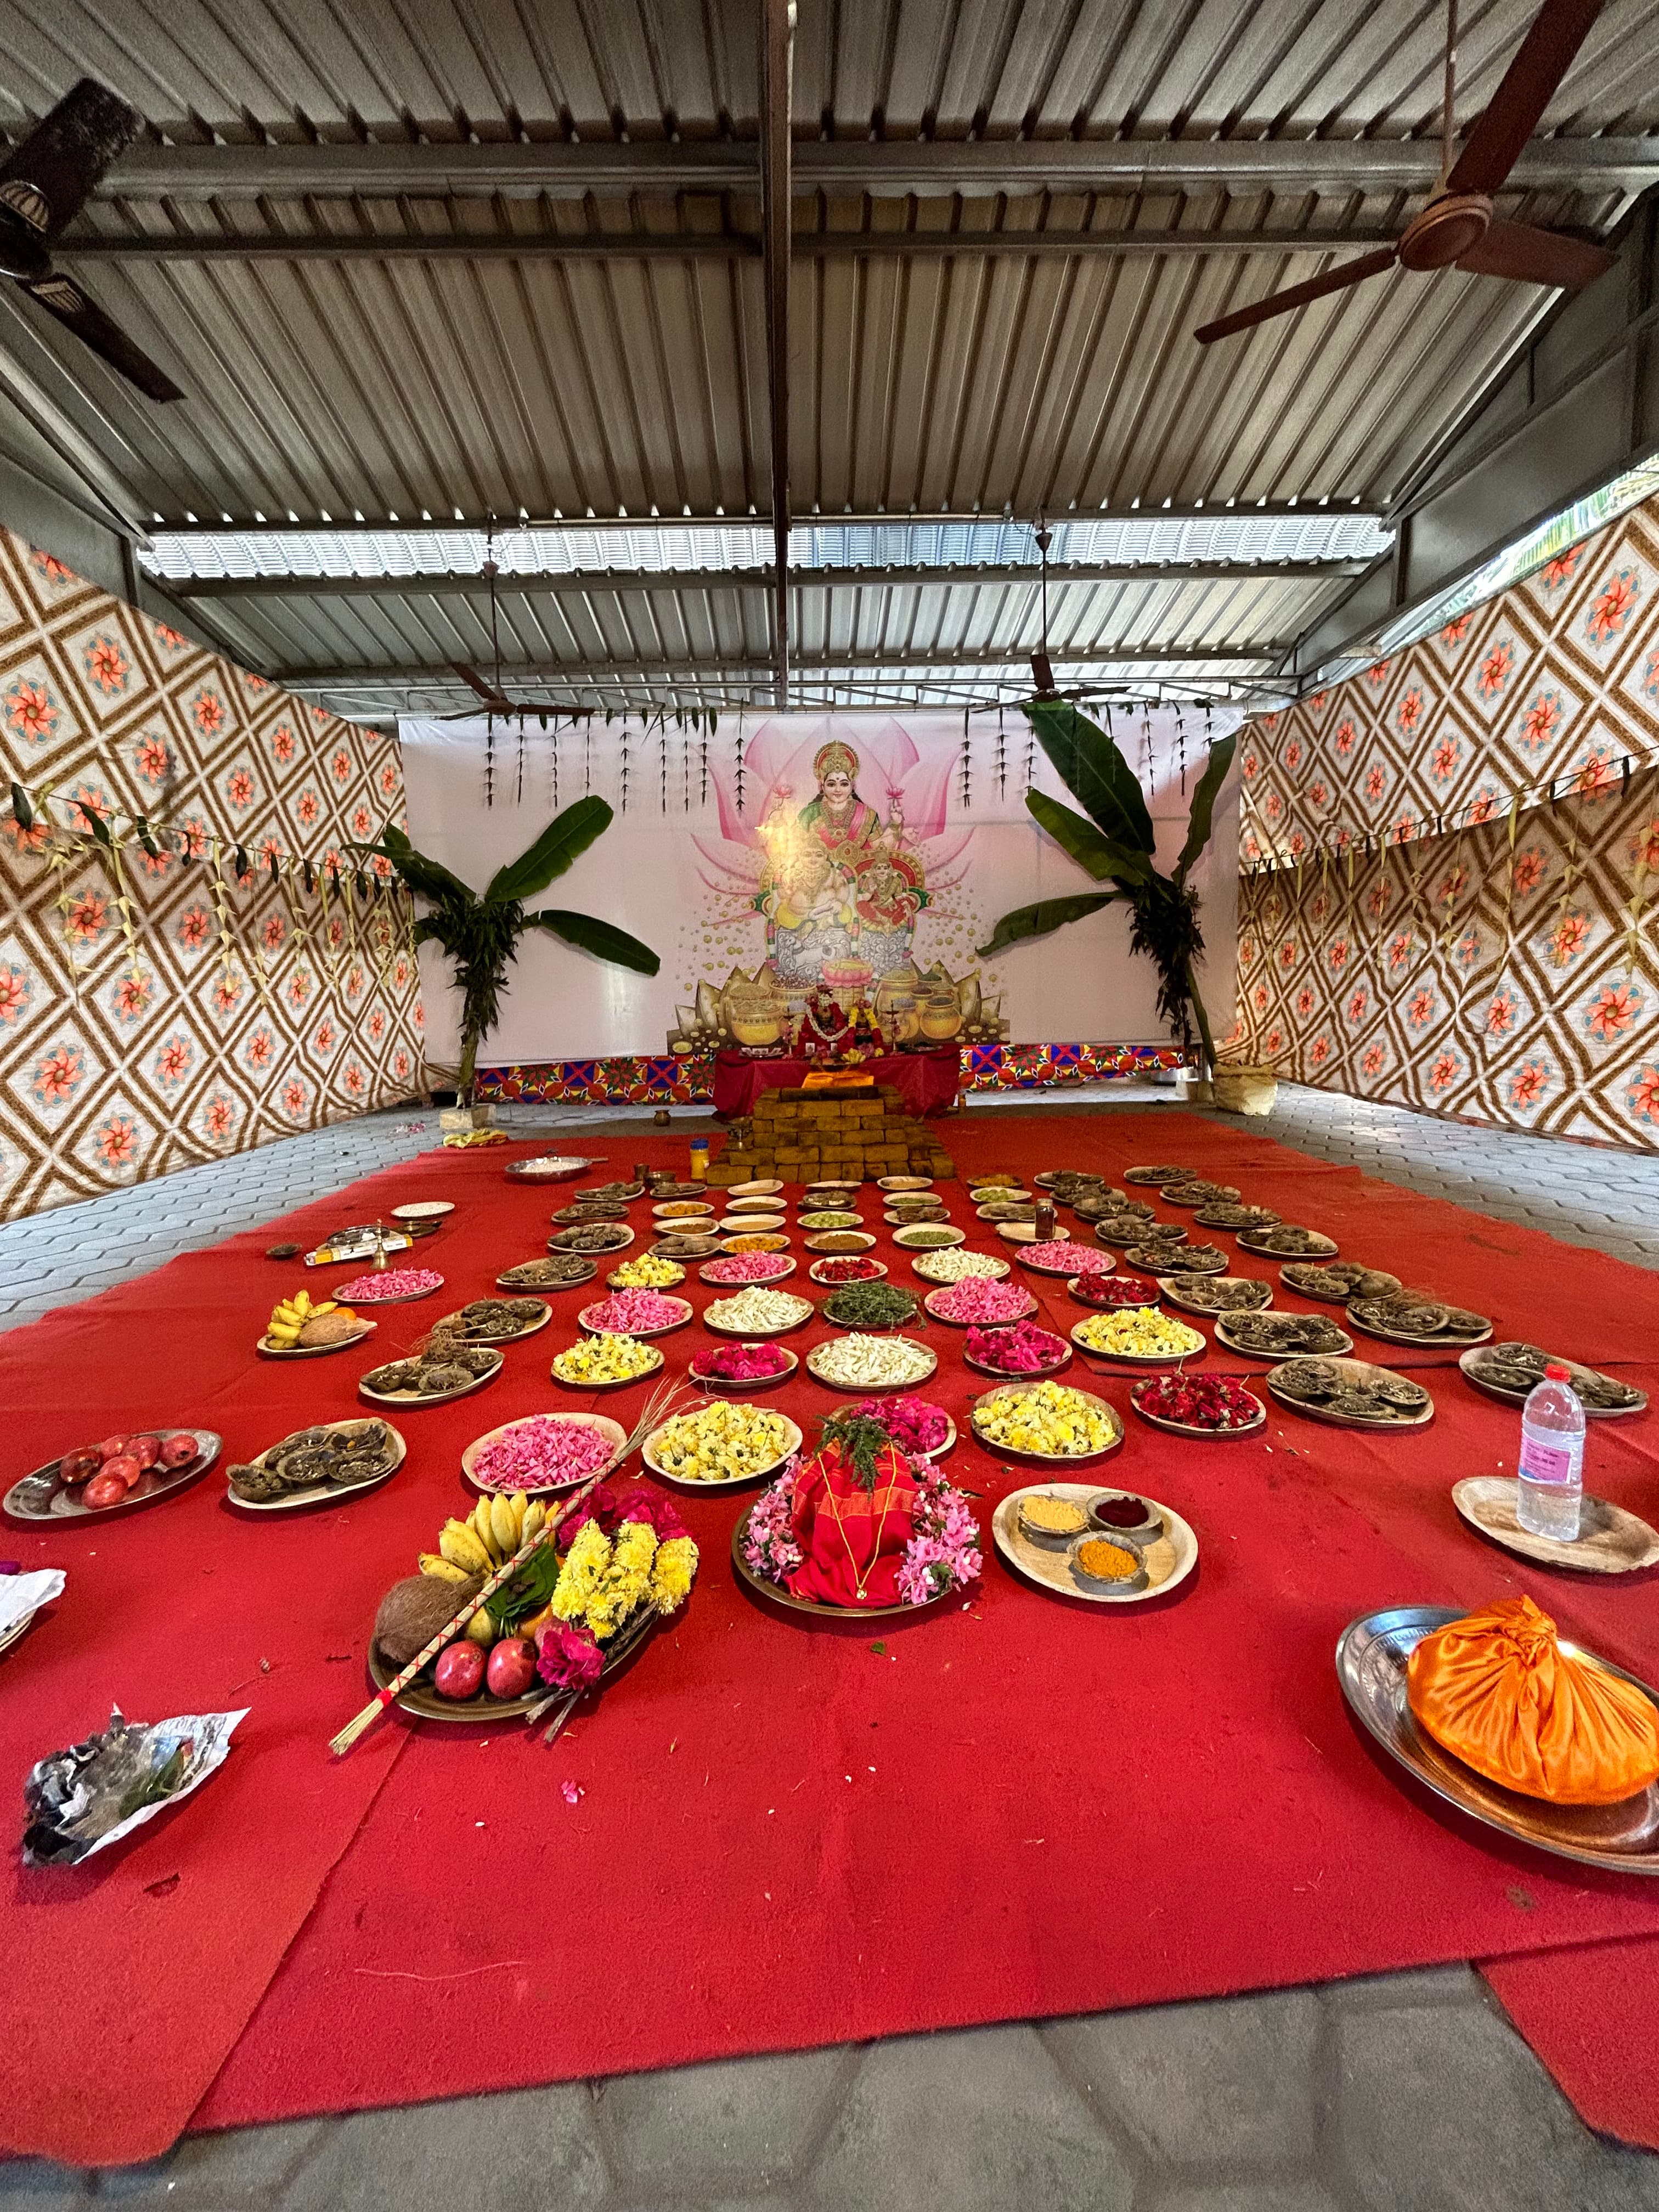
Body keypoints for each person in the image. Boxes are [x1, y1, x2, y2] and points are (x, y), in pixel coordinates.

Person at [755, 740, 925, 986]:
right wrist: (777, 825)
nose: (838, 789)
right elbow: (796, 851)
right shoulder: (809, 814)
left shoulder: (867, 815)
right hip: (817, 883)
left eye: (844, 783)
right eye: (831, 783)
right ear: (821, 785)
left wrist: (896, 825)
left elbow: (879, 851)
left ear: (852, 784)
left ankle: (866, 978)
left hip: (857, 886)